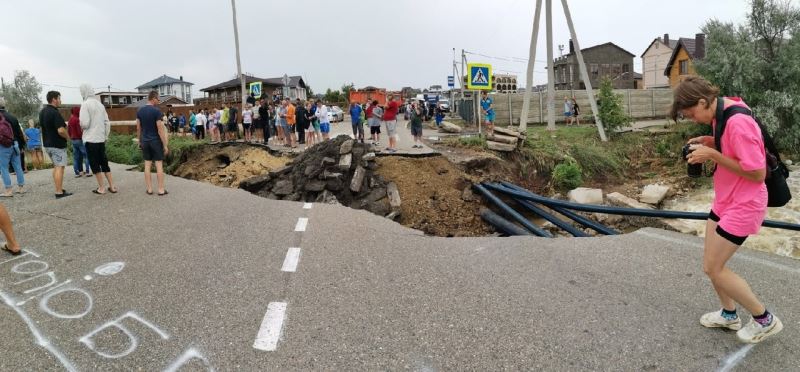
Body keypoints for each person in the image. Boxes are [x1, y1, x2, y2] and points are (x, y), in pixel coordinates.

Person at [672, 76, 783, 344]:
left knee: (715, 268)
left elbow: (757, 173)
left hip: (745, 203)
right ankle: (729, 314)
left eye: (691, 113)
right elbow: (736, 148)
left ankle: (765, 320)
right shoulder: (722, 111)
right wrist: (713, 141)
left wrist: (712, 155)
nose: (692, 118)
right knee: (711, 266)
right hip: (726, 199)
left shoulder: (738, 122)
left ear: (702, 101)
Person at [79, 84, 117, 195]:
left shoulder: (85, 105)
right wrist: (105, 136)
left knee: (94, 164)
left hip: (90, 139)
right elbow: (107, 123)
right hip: (101, 139)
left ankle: (101, 188)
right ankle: (112, 186)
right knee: (104, 163)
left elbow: (84, 123)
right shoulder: (100, 105)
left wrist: (82, 125)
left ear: (84, 92)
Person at [136, 91, 170, 196]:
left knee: (147, 165)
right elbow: (160, 129)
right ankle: (160, 190)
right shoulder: (156, 111)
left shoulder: (140, 111)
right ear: (153, 98)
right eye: (158, 99)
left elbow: (138, 128)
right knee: (159, 165)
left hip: (145, 141)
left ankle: (149, 189)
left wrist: (139, 141)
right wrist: (165, 145)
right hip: (155, 141)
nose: (158, 101)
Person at [39, 91, 71, 198]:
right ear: (54, 99)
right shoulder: (54, 112)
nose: (60, 100)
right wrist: (68, 137)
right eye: (59, 98)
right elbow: (61, 130)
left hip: (47, 144)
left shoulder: (42, 112)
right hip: (57, 145)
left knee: (56, 167)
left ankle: (59, 188)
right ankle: (58, 192)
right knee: (59, 167)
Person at [0, 99, 25, 197]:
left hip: (3, 145)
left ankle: (9, 190)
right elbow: (19, 132)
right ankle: (21, 188)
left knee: (3, 168)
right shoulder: (13, 117)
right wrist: (22, 145)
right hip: (15, 144)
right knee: (18, 166)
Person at [67, 106, 91, 177]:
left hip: (73, 140)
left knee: (76, 157)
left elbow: (68, 131)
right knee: (86, 156)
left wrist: (71, 137)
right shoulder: (77, 120)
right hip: (79, 140)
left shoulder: (70, 120)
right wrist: (83, 137)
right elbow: (79, 132)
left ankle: (77, 173)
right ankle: (87, 172)